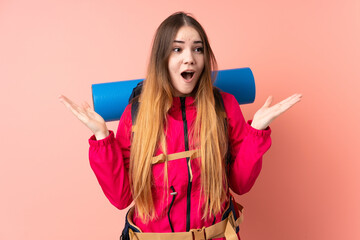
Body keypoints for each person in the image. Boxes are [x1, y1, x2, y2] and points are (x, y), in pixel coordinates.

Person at [59, 11, 302, 240]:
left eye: (198, 49)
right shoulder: (136, 115)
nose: (190, 58)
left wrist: (256, 131)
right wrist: (102, 138)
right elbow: (121, 197)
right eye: (177, 49)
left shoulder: (224, 106)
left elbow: (241, 184)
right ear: (161, 59)